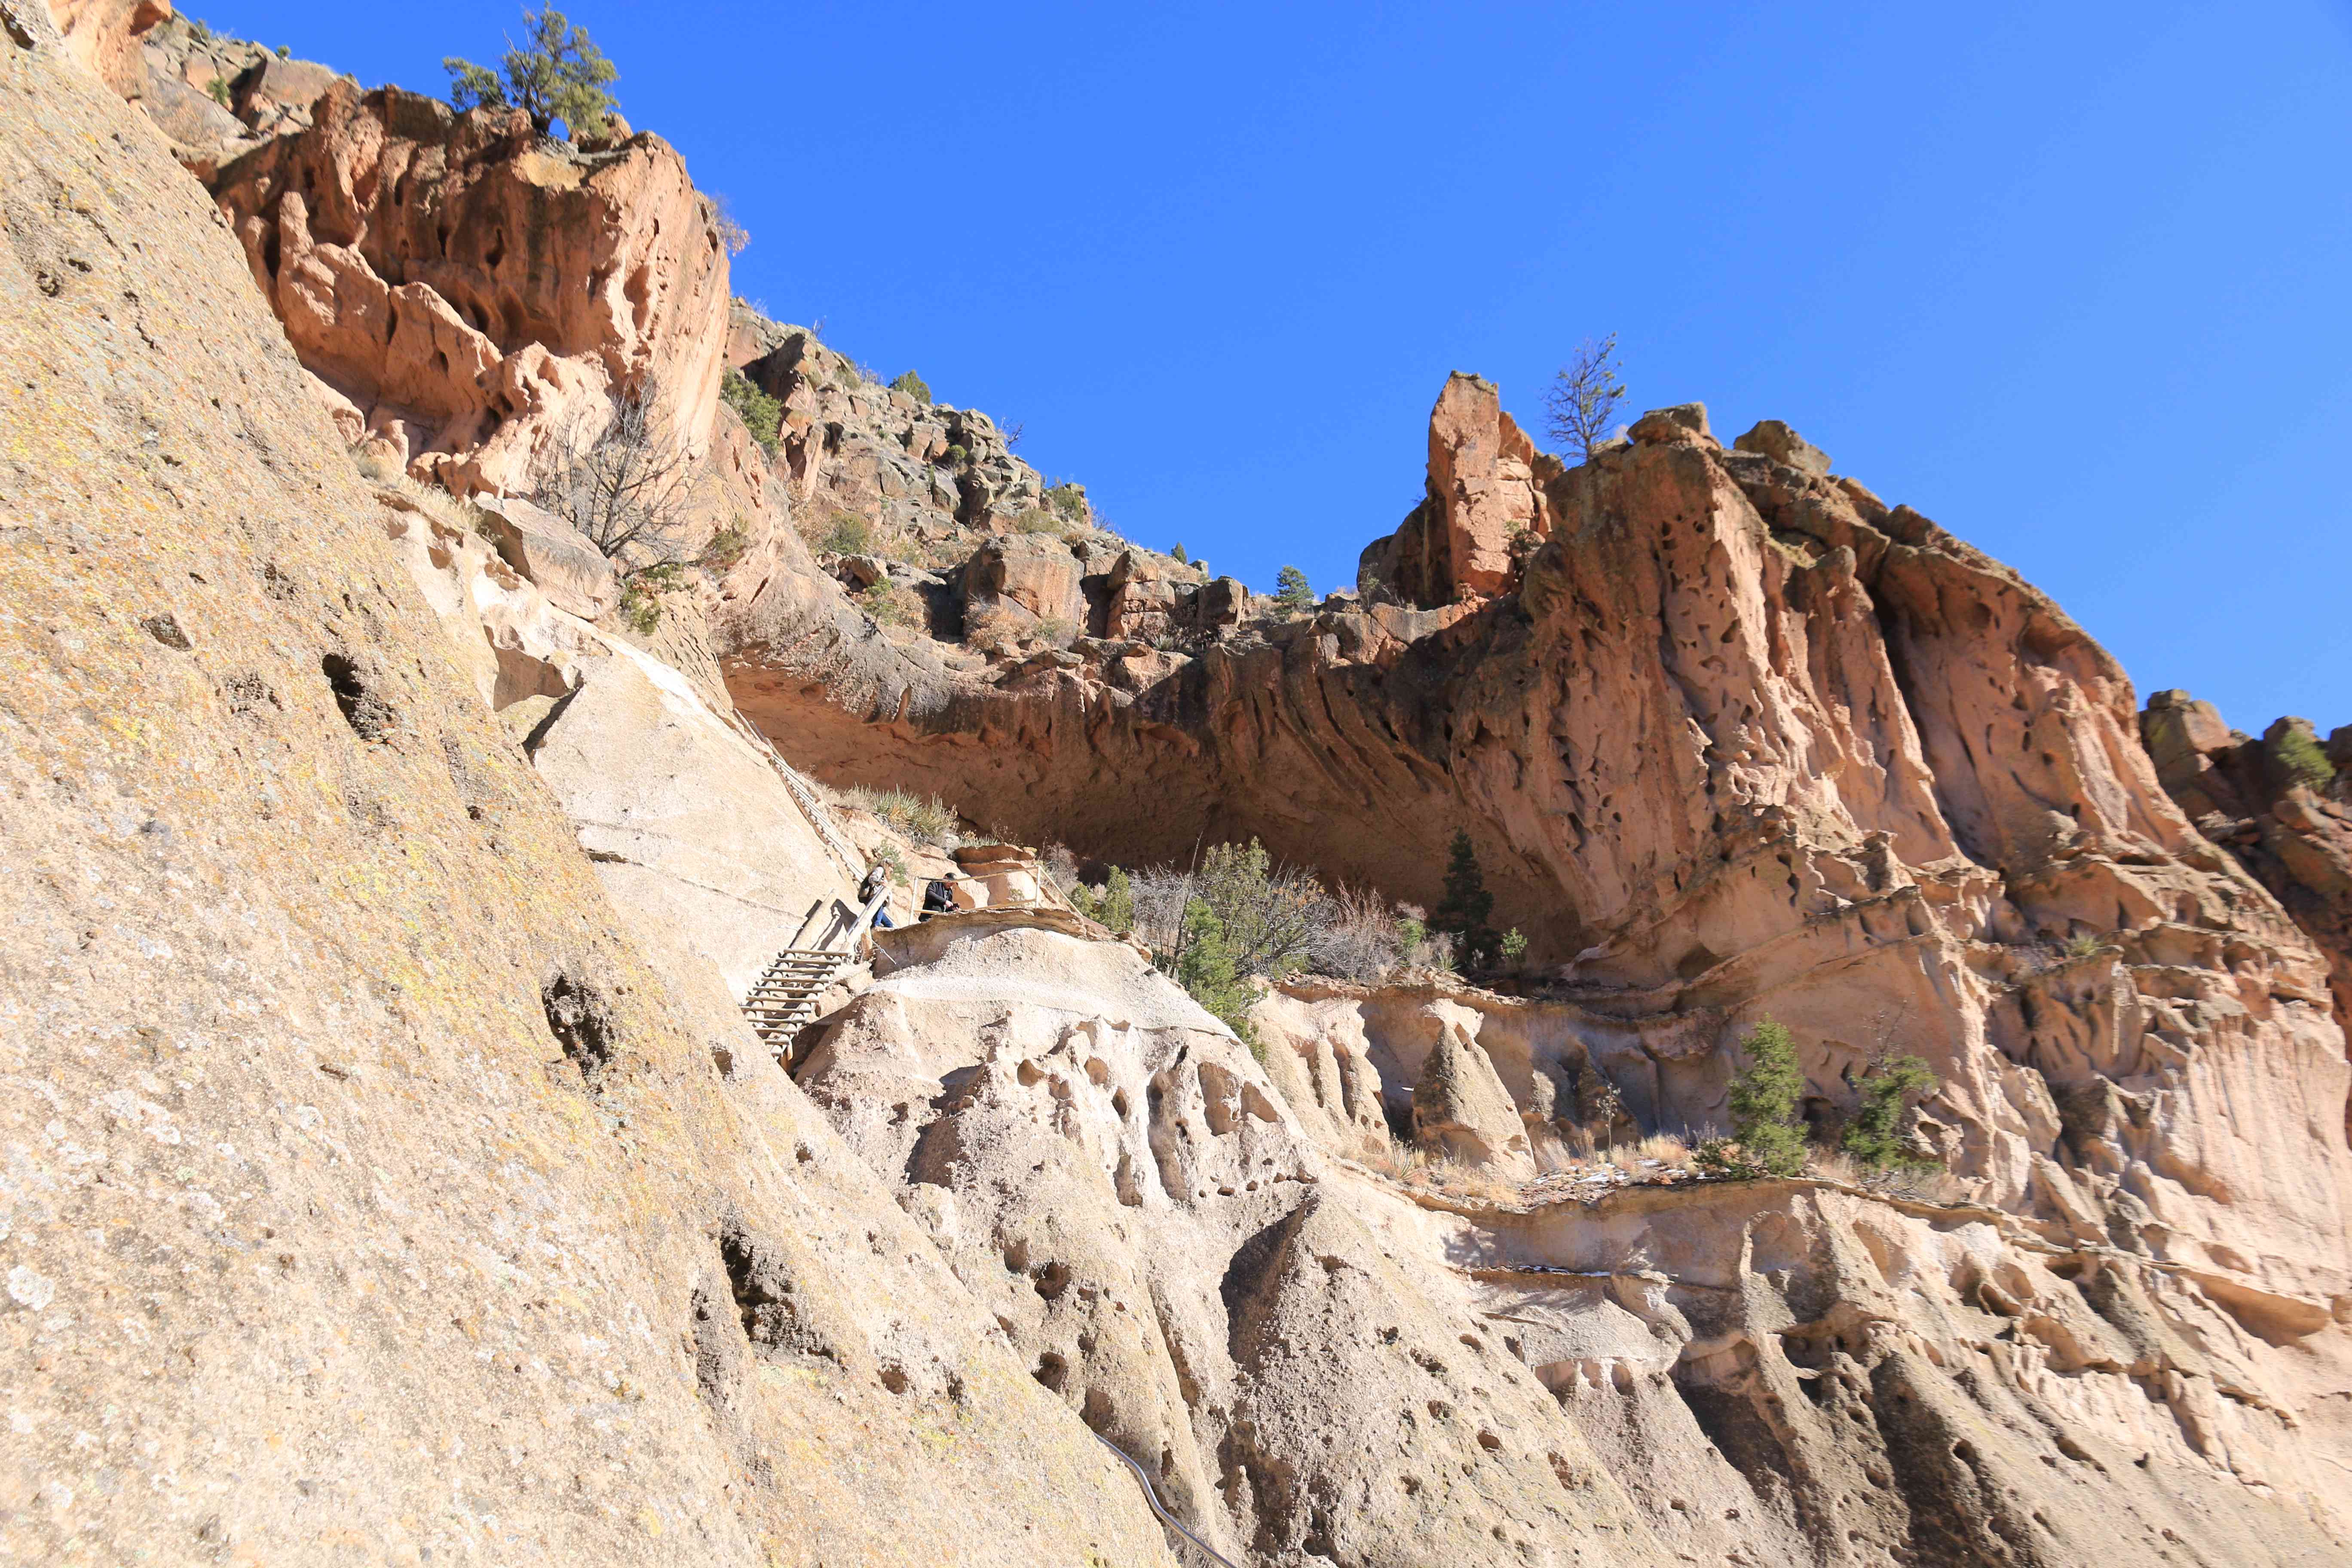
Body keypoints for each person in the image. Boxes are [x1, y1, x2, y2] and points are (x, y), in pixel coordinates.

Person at [860, 863, 894, 930]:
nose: (892, 870)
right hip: (876, 899)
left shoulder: (884, 875)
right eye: (891, 867)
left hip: (879, 901)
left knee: (889, 925)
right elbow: (872, 879)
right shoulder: (880, 870)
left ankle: (875, 937)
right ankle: (873, 934)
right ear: (887, 866)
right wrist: (880, 882)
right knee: (877, 924)